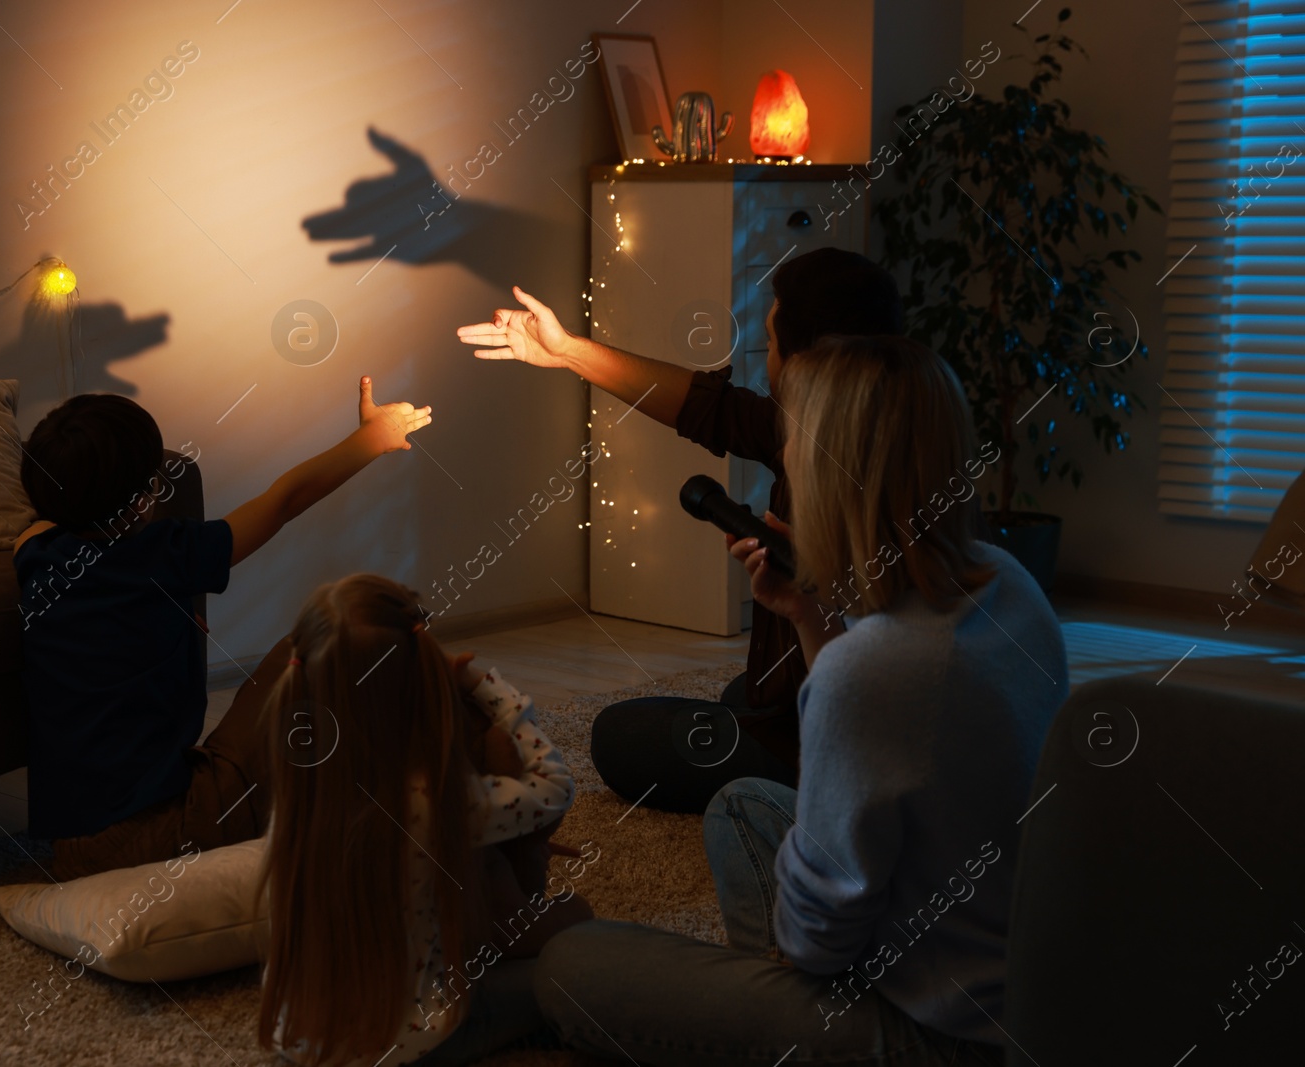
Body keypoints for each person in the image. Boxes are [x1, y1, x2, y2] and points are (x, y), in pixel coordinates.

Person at [532, 336, 1069, 1066]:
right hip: (1017, 986)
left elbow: (813, 941)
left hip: (935, 1032)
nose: (784, 463)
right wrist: (811, 617)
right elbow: (871, 746)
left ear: (834, 476)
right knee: (741, 802)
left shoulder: (874, 670)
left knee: (575, 964)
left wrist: (788, 972)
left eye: (794, 450)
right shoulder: (1008, 582)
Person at [457, 248, 905, 812]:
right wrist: (567, 350)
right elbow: (706, 408)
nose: (765, 361)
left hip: (832, 737)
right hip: (808, 699)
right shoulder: (845, 424)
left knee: (620, 734)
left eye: (769, 342)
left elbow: (870, 693)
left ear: (809, 362)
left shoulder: (849, 472)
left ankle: (791, 785)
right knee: (739, 694)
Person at [14, 378, 431, 880]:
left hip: (72, 847)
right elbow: (285, 501)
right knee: (327, 639)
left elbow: (40, 529)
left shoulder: (35, 556)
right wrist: (372, 438)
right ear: (141, 500)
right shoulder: (167, 554)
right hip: (167, 829)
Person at [257, 574, 593, 1067]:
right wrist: (489, 689)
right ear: (424, 675)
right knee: (578, 937)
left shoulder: (300, 799)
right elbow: (555, 786)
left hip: (304, 1044)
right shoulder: (438, 801)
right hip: (417, 1046)